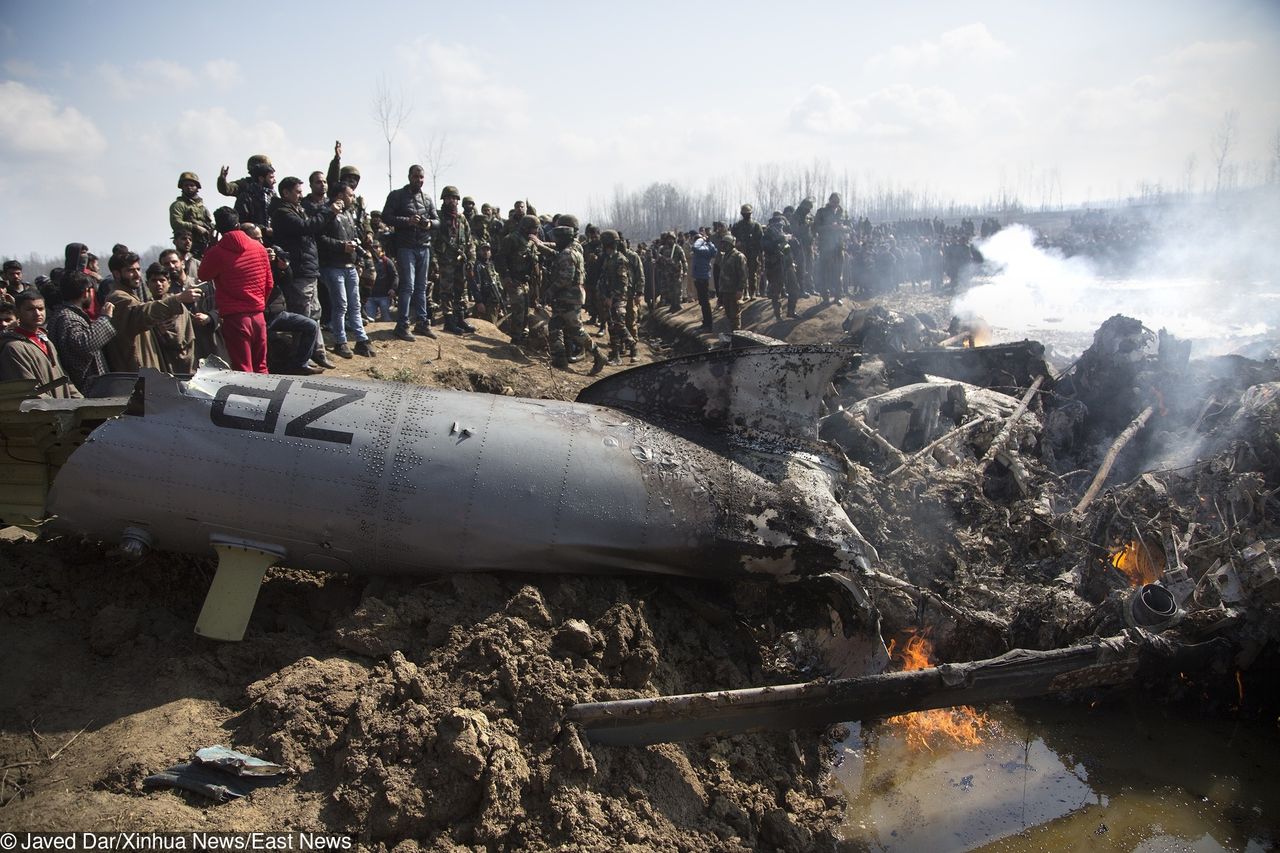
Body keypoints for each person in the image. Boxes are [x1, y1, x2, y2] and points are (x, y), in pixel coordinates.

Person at [270, 175, 338, 368]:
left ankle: (317, 352)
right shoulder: (282, 212)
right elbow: (306, 227)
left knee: (315, 312)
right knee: (302, 316)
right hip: (299, 271)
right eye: (297, 192)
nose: (301, 196)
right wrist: (328, 212)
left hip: (309, 270)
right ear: (285, 193)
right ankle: (301, 357)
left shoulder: (298, 209)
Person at [198, 208, 272, 373]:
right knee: (261, 366)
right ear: (238, 224)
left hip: (235, 318)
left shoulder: (216, 252)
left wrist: (211, 244)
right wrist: (259, 303)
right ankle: (266, 398)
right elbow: (269, 284)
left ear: (218, 229)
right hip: (258, 315)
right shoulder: (259, 248)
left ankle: (246, 400)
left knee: (242, 368)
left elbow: (203, 274)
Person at [104, 251, 199, 372]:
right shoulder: (118, 298)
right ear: (117, 274)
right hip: (137, 375)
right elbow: (143, 312)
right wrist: (177, 299)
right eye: (130, 270)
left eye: (138, 269)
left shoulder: (129, 296)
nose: (137, 274)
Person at [382, 164, 438, 341]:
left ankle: (422, 322)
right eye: (416, 177)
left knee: (422, 287)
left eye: (421, 177)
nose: (419, 180)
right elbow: (386, 217)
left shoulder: (427, 199)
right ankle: (402, 325)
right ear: (409, 177)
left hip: (424, 246)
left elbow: (438, 221)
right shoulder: (397, 195)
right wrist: (408, 221)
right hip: (405, 246)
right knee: (408, 286)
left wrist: (428, 223)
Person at [318, 185, 374, 358]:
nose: (353, 198)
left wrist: (358, 258)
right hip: (333, 266)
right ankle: (340, 341)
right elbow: (320, 238)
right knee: (340, 305)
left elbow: (353, 237)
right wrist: (342, 247)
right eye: (351, 195)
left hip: (350, 267)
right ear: (340, 195)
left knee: (355, 305)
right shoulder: (326, 212)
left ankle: (361, 339)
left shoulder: (349, 214)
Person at [546, 217, 606, 374]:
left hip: (569, 297)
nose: (556, 241)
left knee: (575, 329)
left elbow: (564, 279)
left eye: (558, 239)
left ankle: (599, 355)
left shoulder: (567, 254)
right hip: (568, 296)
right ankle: (559, 357)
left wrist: (550, 292)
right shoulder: (575, 248)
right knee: (555, 325)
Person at [44, 272, 116, 394]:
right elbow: (84, 345)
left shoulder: (65, 314)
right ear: (86, 292)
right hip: (84, 387)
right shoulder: (67, 318)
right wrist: (105, 318)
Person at [0, 289, 82, 397]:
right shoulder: (14, 347)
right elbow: (28, 390)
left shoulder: (45, 339)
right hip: (44, 411)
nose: (37, 313)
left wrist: (80, 402)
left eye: (40, 308)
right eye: (30, 309)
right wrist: (58, 408)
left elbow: (62, 378)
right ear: (17, 312)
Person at [431, 186, 476, 335]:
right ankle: (449, 321)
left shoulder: (462, 219)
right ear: (443, 199)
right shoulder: (438, 217)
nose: (451, 201)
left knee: (460, 290)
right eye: (448, 198)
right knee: (446, 291)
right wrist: (435, 262)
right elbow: (432, 241)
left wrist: (471, 259)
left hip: (460, 260)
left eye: (454, 198)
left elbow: (469, 241)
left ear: (458, 200)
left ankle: (460, 318)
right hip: (445, 260)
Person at [495, 214, 541, 345]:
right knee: (519, 309)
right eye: (534, 228)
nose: (536, 231)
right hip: (513, 279)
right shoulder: (511, 239)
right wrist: (506, 276)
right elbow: (501, 258)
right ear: (526, 228)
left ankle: (522, 334)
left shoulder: (531, 241)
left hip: (525, 280)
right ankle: (515, 338)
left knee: (526, 309)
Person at [144, 262, 196, 375]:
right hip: (158, 364)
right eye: (154, 281)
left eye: (162, 280)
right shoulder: (146, 307)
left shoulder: (176, 306)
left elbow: (178, 339)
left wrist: (159, 332)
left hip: (179, 365)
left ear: (169, 283)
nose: (158, 284)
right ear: (147, 284)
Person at [598, 230, 634, 364]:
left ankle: (633, 346)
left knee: (619, 324)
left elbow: (623, 284)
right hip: (608, 297)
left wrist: (612, 297)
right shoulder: (609, 258)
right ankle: (616, 355)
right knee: (612, 326)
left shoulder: (619, 259)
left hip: (617, 298)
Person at [169, 171, 216, 257]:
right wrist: (195, 227)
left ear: (197, 188)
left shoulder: (202, 207)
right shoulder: (178, 205)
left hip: (203, 244)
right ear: (182, 187)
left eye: (192, 185)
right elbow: (176, 223)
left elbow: (209, 223)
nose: (189, 187)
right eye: (186, 185)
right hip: (186, 245)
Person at [813, 193, 849, 305]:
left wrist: (842, 228)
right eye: (834, 202)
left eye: (837, 202)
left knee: (838, 272)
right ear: (829, 201)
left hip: (839, 246)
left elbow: (850, 227)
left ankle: (838, 296)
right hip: (825, 246)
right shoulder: (821, 212)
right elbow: (815, 228)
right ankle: (825, 297)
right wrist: (829, 227)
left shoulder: (843, 213)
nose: (835, 204)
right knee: (825, 272)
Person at [731, 204, 764, 299]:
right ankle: (744, 292)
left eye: (748, 213)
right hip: (741, 253)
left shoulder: (756, 225)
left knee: (752, 273)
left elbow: (760, 240)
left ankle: (752, 292)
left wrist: (760, 253)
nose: (746, 215)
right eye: (744, 214)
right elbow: (732, 238)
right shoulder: (737, 225)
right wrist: (737, 243)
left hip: (753, 253)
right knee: (741, 273)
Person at [717, 234, 748, 331]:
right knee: (729, 315)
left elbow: (743, 274)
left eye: (725, 244)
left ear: (730, 245)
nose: (723, 246)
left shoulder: (739, 256)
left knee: (735, 315)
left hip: (734, 290)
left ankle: (736, 337)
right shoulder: (725, 256)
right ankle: (731, 336)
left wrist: (740, 290)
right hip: (725, 290)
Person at [689, 229, 718, 331]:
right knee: (703, 302)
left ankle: (708, 325)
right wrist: (706, 240)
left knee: (705, 302)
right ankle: (706, 323)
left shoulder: (703, 248)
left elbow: (695, 247)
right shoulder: (707, 247)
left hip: (702, 278)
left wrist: (701, 239)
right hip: (701, 277)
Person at [363, 242, 397, 323]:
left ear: (381, 248)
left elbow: (395, 276)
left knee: (387, 320)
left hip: (384, 296)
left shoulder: (386, 261)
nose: (375, 249)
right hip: (370, 297)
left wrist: (393, 288)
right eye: (373, 247)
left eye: (377, 247)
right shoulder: (366, 261)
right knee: (369, 321)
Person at [654, 231, 687, 312]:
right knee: (670, 289)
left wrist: (685, 270)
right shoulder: (663, 249)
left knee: (677, 289)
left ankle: (678, 305)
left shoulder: (678, 248)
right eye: (668, 239)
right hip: (667, 273)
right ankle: (672, 305)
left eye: (671, 239)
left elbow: (684, 260)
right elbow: (658, 261)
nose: (670, 241)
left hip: (676, 272)